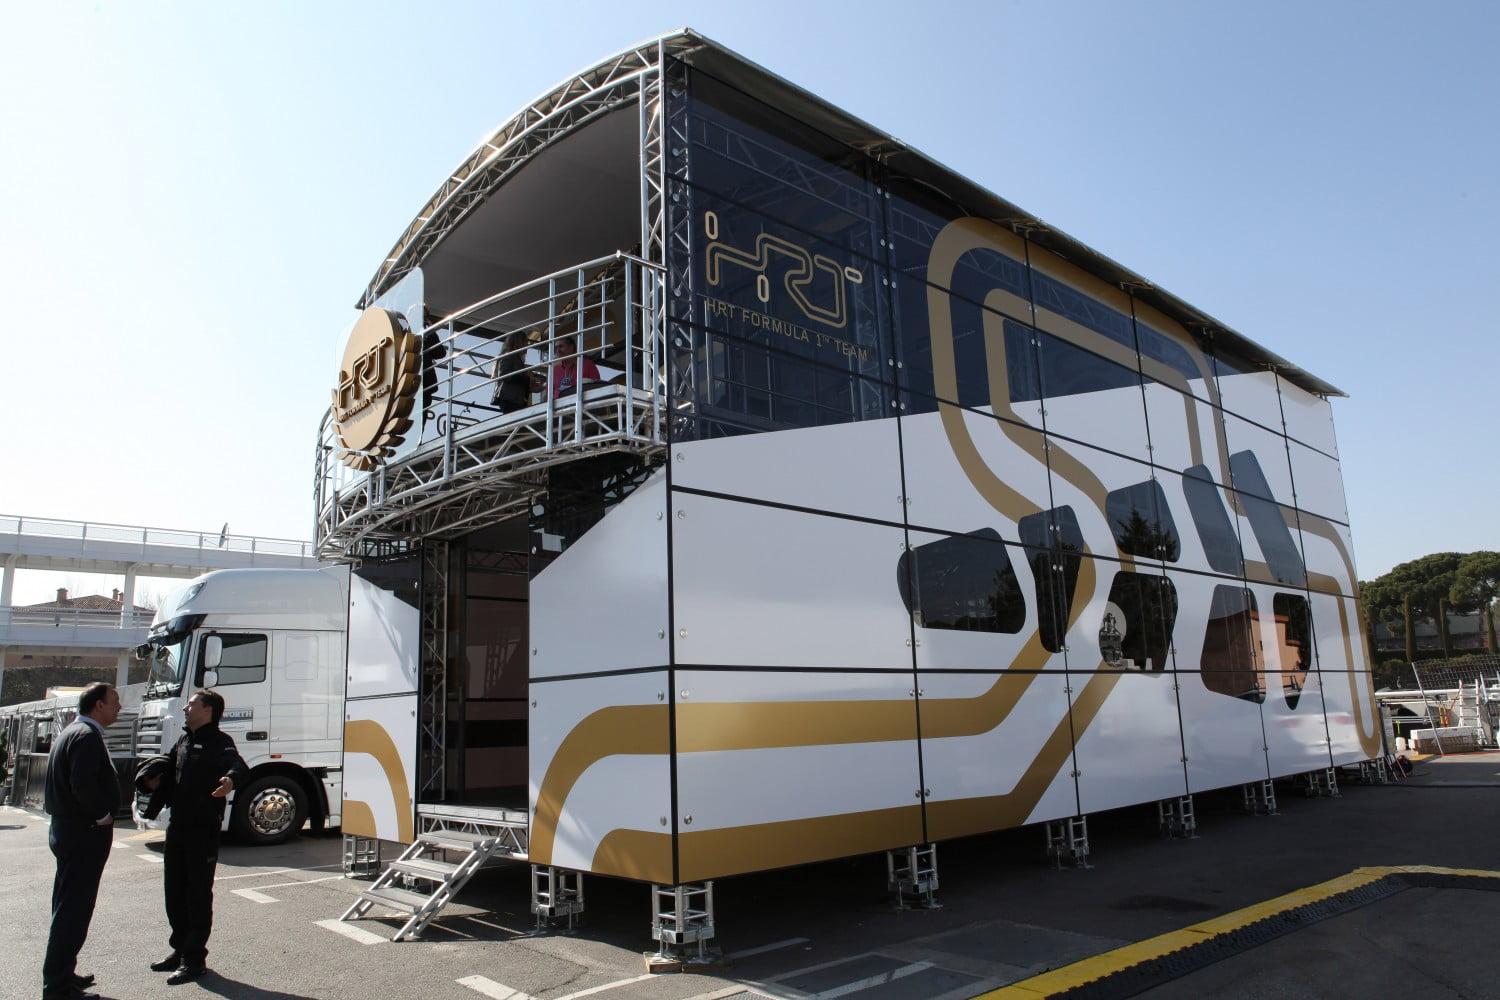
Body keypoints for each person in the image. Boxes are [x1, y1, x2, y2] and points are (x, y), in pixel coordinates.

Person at [135, 689, 248, 985]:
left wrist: (230, 780)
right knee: (174, 891)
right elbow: (168, 768)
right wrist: (150, 779)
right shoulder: (184, 740)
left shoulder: (220, 741)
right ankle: (180, 950)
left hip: (203, 829)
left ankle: (194, 960)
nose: (185, 708)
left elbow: (238, 766)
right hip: (178, 827)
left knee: (197, 894)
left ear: (207, 710)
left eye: (191, 704)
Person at [41, 681, 121, 1000]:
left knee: (67, 907)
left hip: (68, 831)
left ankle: (63, 974)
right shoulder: (86, 736)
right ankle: (58, 988)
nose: (119, 707)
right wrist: (102, 815)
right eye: (114, 701)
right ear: (98, 705)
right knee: (73, 912)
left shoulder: (73, 732)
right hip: (82, 833)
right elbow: (82, 783)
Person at [547, 335, 601, 400]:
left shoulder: (587, 364)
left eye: (561, 346)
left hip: (580, 402)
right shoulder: (554, 369)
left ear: (571, 347)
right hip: (558, 404)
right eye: (556, 348)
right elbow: (548, 393)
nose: (558, 351)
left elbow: (596, 387)